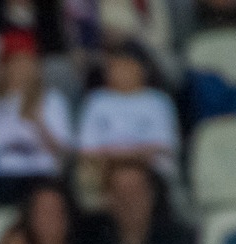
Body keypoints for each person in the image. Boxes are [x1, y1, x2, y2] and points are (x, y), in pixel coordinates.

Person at [0, 28, 72, 207]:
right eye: (15, 62)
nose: (22, 68)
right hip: (0, 176)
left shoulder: (51, 99)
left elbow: (63, 150)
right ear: (5, 66)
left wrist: (38, 122)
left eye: (27, 61)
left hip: (39, 175)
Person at [75, 44, 178, 177]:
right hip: (105, 171)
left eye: (127, 66)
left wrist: (121, 157)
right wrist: (131, 155)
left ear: (142, 69)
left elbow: (163, 147)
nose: (122, 72)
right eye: (116, 67)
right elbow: (87, 150)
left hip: (150, 172)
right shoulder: (96, 100)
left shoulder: (158, 101)